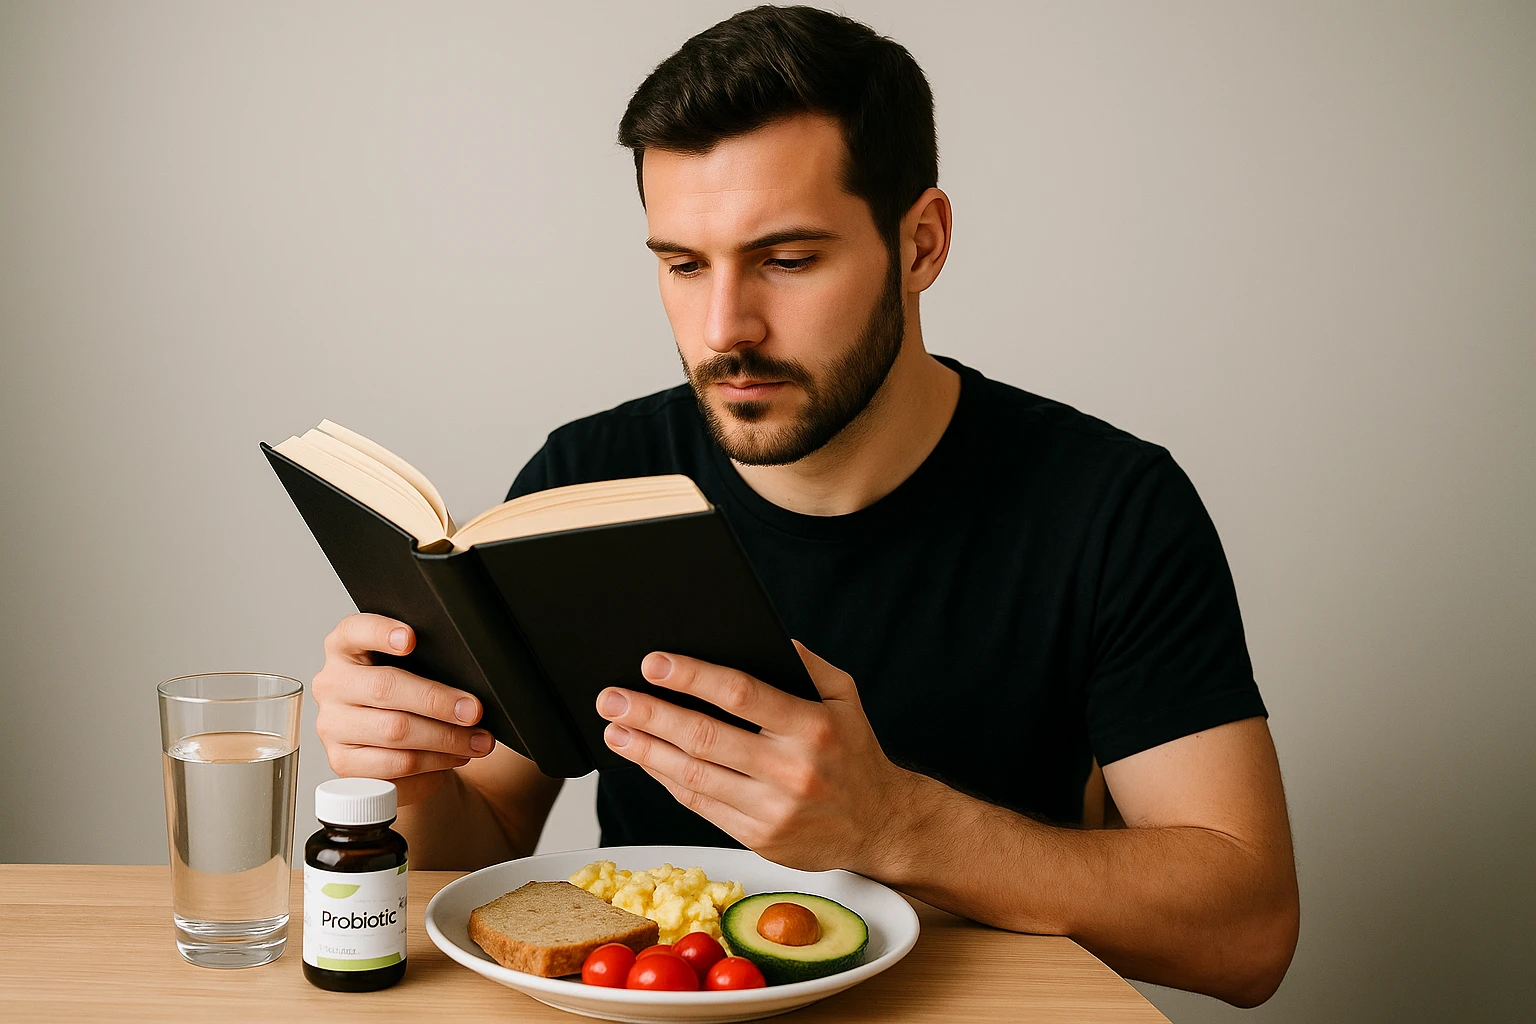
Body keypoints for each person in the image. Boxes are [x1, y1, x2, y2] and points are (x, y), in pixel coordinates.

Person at [311, 6, 1299, 1006]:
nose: (723, 326)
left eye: (786, 261)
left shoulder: (1111, 506)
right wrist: (410, 775)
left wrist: (892, 821)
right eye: (682, 264)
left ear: (920, 244)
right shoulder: (586, 476)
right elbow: (477, 852)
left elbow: (1248, 935)